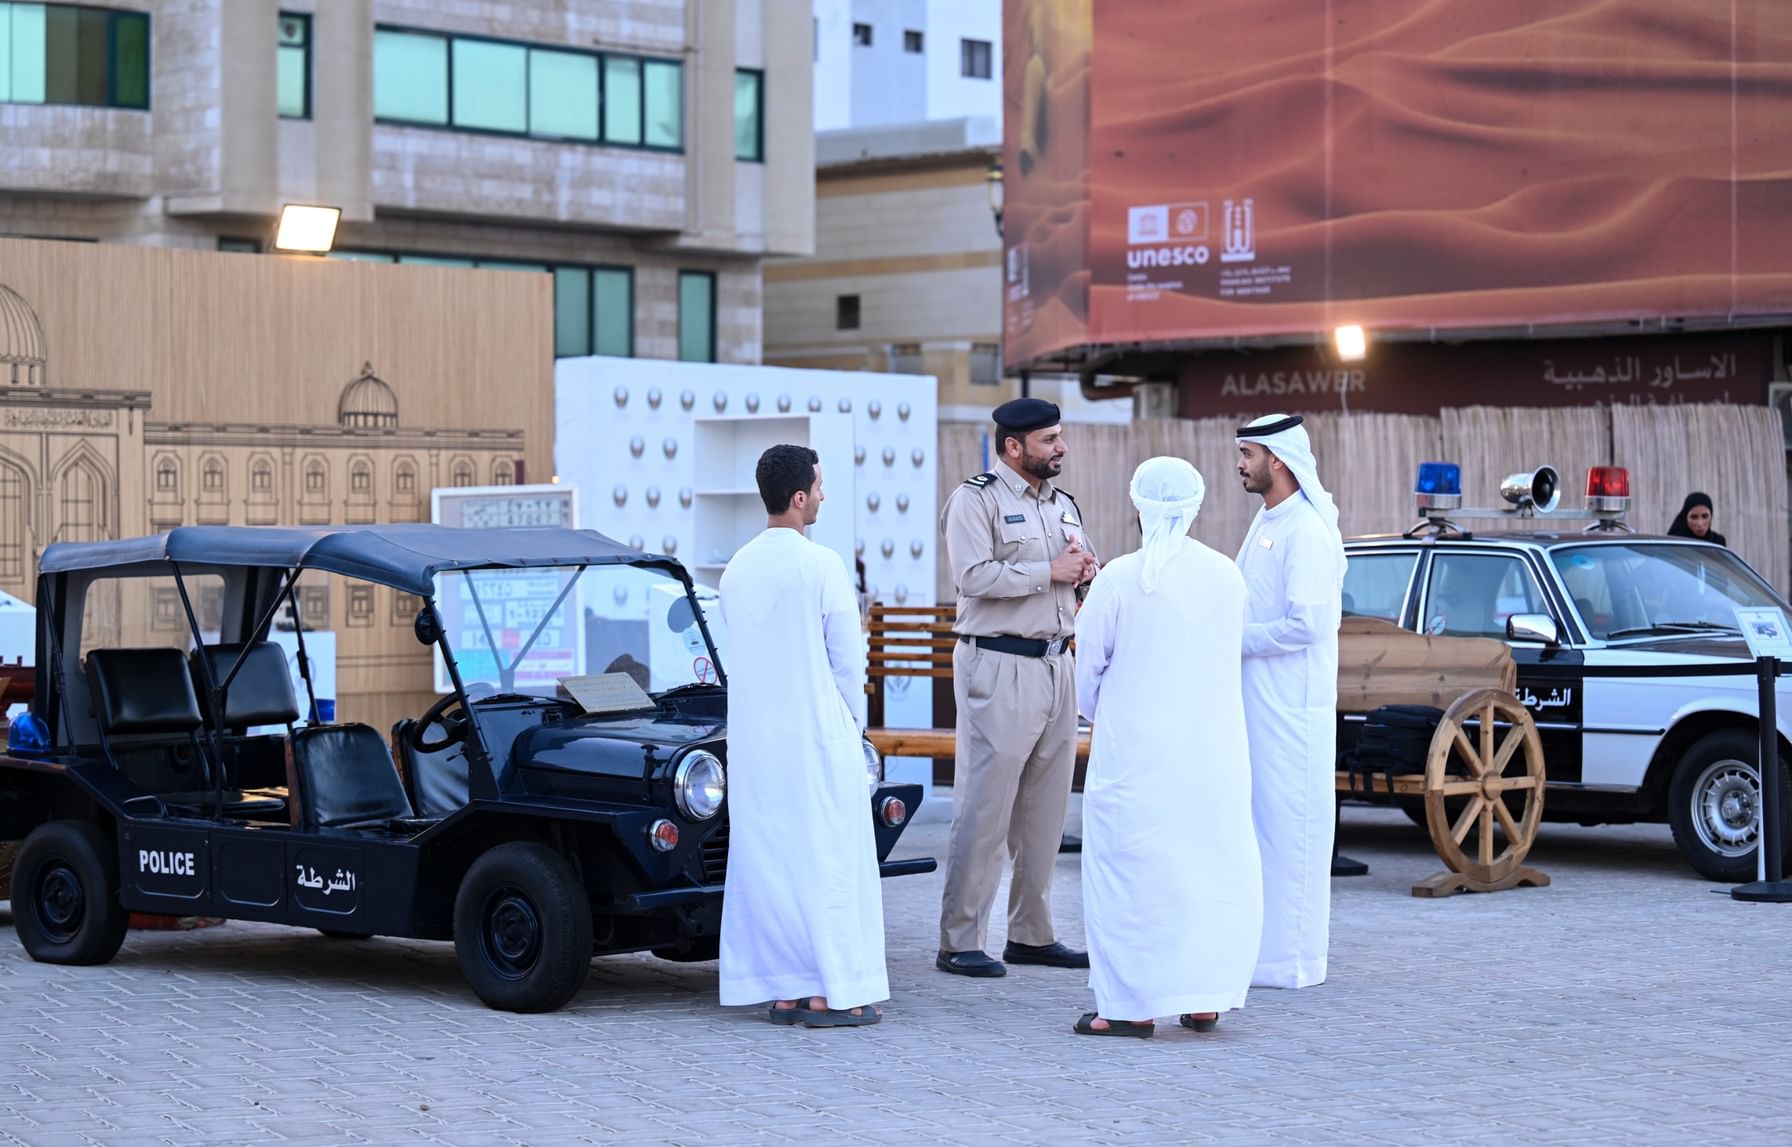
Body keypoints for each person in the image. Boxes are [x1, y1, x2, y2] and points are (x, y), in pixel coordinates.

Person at [1070, 458, 1263, 1038]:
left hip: (1137, 757)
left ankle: (1127, 1009)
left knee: (1130, 875)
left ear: (1139, 507)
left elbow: (1087, 679)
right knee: (1207, 869)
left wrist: (1111, 710)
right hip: (1215, 756)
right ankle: (1203, 999)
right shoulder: (1227, 574)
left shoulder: (1120, 578)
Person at [717, 444, 887, 1027]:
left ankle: (786, 988)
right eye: (819, 486)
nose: (823, 495)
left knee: (774, 862)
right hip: (819, 736)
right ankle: (833, 990)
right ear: (798, 498)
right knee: (831, 860)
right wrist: (851, 730)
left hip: (756, 742)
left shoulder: (736, 568)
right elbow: (848, 662)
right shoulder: (822, 565)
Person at [936, 397, 1096, 978]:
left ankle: (1031, 934)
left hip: (1057, 663)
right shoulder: (975, 499)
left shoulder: (1064, 505)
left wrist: (1082, 574)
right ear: (1013, 446)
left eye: (1060, 437)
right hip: (998, 664)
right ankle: (959, 939)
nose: (1061, 448)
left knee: (1045, 810)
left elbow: (1068, 577)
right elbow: (972, 578)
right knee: (986, 807)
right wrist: (1047, 572)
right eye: (1050, 439)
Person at [1234, 413, 1346, 990]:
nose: (1240, 464)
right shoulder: (1268, 520)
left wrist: (1237, 640)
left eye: (1248, 454)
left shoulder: (1305, 530)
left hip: (1293, 712)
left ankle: (1294, 962)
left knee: (1291, 831)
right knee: (1261, 831)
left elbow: (1306, 624)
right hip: (1259, 707)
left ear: (1276, 459)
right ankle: (1261, 956)